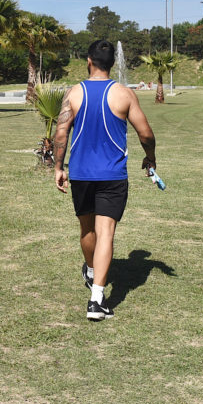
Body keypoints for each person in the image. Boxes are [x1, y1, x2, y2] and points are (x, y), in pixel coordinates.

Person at [53, 39, 157, 321]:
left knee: (87, 229)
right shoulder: (124, 94)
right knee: (106, 233)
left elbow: (61, 134)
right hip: (112, 175)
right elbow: (146, 134)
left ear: (88, 61)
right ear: (112, 64)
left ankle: (90, 270)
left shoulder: (73, 93)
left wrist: (58, 167)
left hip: (82, 174)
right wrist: (151, 158)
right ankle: (97, 299)